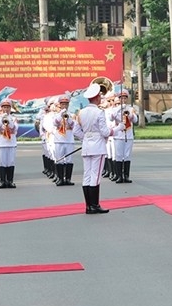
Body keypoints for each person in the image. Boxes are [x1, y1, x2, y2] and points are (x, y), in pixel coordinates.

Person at [72, 82, 117, 213]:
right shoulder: (99, 112)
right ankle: (94, 205)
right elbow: (104, 132)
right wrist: (114, 130)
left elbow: (76, 130)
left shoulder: (81, 112)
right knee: (95, 176)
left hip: (87, 145)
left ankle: (88, 206)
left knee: (87, 175)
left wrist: (85, 138)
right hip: (97, 146)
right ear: (97, 97)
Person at [0, 99, 19, 188]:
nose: (6, 109)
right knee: (1, 162)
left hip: (11, 142)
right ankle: (2, 181)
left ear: (10, 108)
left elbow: (14, 129)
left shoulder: (13, 118)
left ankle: (10, 181)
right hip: (1, 142)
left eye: (8, 107)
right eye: (4, 107)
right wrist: (2, 118)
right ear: (1, 108)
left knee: (11, 162)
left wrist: (8, 120)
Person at [111, 89, 137, 183]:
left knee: (127, 156)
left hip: (128, 135)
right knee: (118, 155)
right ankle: (119, 176)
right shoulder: (115, 109)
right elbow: (111, 117)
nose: (123, 100)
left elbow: (135, 120)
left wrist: (130, 114)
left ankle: (126, 176)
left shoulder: (130, 109)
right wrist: (119, 108)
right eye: (121, 98)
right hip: (119, 135)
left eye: (125, 98)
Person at [52, 95, 76, 186]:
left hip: (69, 139)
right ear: (60, 105)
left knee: (69, 160)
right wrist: (61, 114)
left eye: (66, 104)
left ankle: (68, 179)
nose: (64, 106)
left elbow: (73, 125)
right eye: (63, 104)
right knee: (59, 159)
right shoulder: (56, 115)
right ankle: (60, 178)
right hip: (59, 139)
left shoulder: (72, 115)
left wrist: (67, 117)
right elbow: (55, 123)